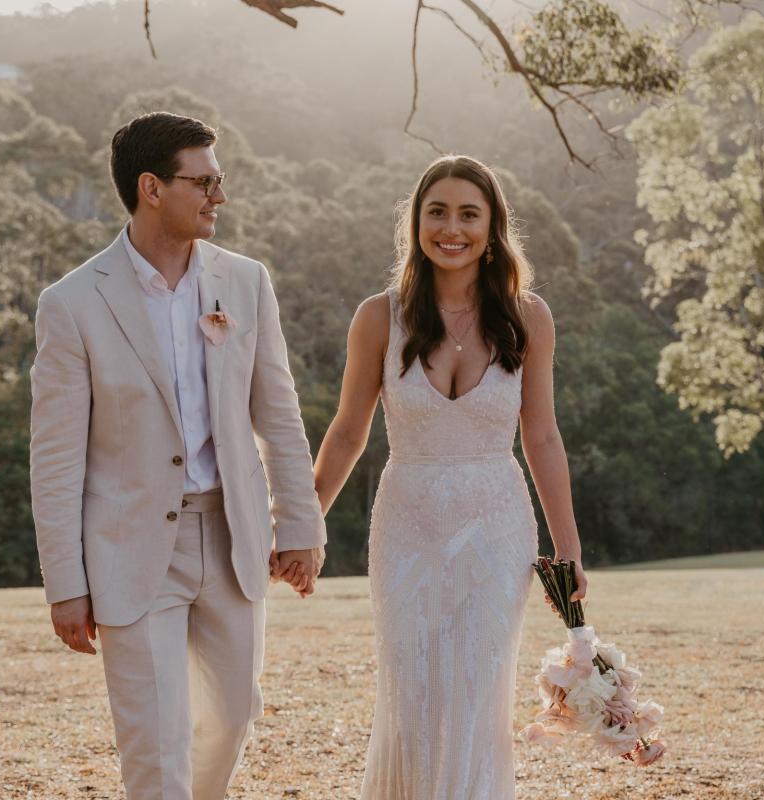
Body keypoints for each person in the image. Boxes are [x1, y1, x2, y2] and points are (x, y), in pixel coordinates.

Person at [29, 112, 324, 800]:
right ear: (151, 188)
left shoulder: (246, 281)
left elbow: (278, 411)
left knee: (229, 721)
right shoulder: (71, 303)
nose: (219, 196)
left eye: (220, 181)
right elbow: (55, 458)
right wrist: (65, 582)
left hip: (231, 536)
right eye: (205, 182)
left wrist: (302, 527)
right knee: (155, 742)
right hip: (129, 551)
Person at [312, 155, 588, 798]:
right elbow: (350, 429)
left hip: (497, 526)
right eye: (437, 212)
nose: (451, 228)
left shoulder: (530, 317)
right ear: (416, 223)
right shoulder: (378, 318)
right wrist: (303, 521)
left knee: (477, 691)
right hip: (406, 522)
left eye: (470, 214)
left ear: (493, 229)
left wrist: (568, 550)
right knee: (412, 690)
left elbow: (542, 435)